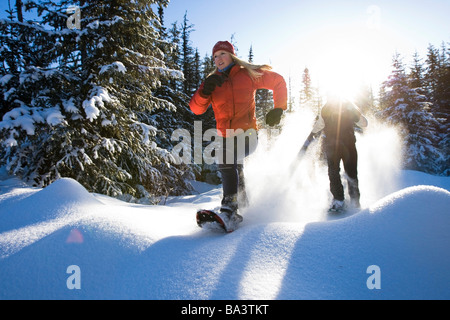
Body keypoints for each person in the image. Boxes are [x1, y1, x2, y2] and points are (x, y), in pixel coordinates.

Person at [190, 40, 287, 229]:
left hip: (248, 135)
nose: (218, 59)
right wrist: (204, 90)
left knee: (226, 158)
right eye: (215, 56)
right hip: (226, 136)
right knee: (233, 166)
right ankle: (243, 205)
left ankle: (229, 209)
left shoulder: (247, 75)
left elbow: (277, 81)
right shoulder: (212, 81)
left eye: (222, 54)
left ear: (231, 56)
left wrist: (279, 108)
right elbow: (196, 109)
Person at [311, 93, 368, 212]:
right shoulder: (346, 106)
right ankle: (349, 200)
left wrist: (312, 133)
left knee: (336, 172)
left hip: (336, 146)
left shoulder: (329, 108)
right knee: (346, 172)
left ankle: (343, 200)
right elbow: (364, 123)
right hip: (344, 145)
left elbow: (319, 125)